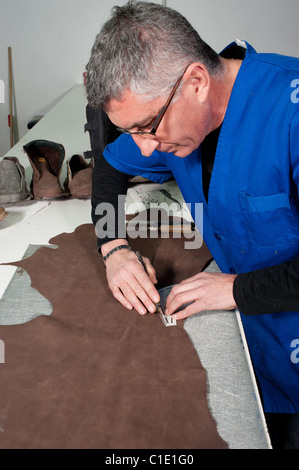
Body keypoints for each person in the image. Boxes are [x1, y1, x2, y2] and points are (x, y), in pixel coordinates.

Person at [86, 1, 299, 448]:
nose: (145, 151)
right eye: (132, 133)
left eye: (146, 128)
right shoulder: (174, 119)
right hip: (249, 349)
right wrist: (114, 247)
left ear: (196, 83)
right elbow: (109, 169)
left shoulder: (290, 112)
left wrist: (234, 289)